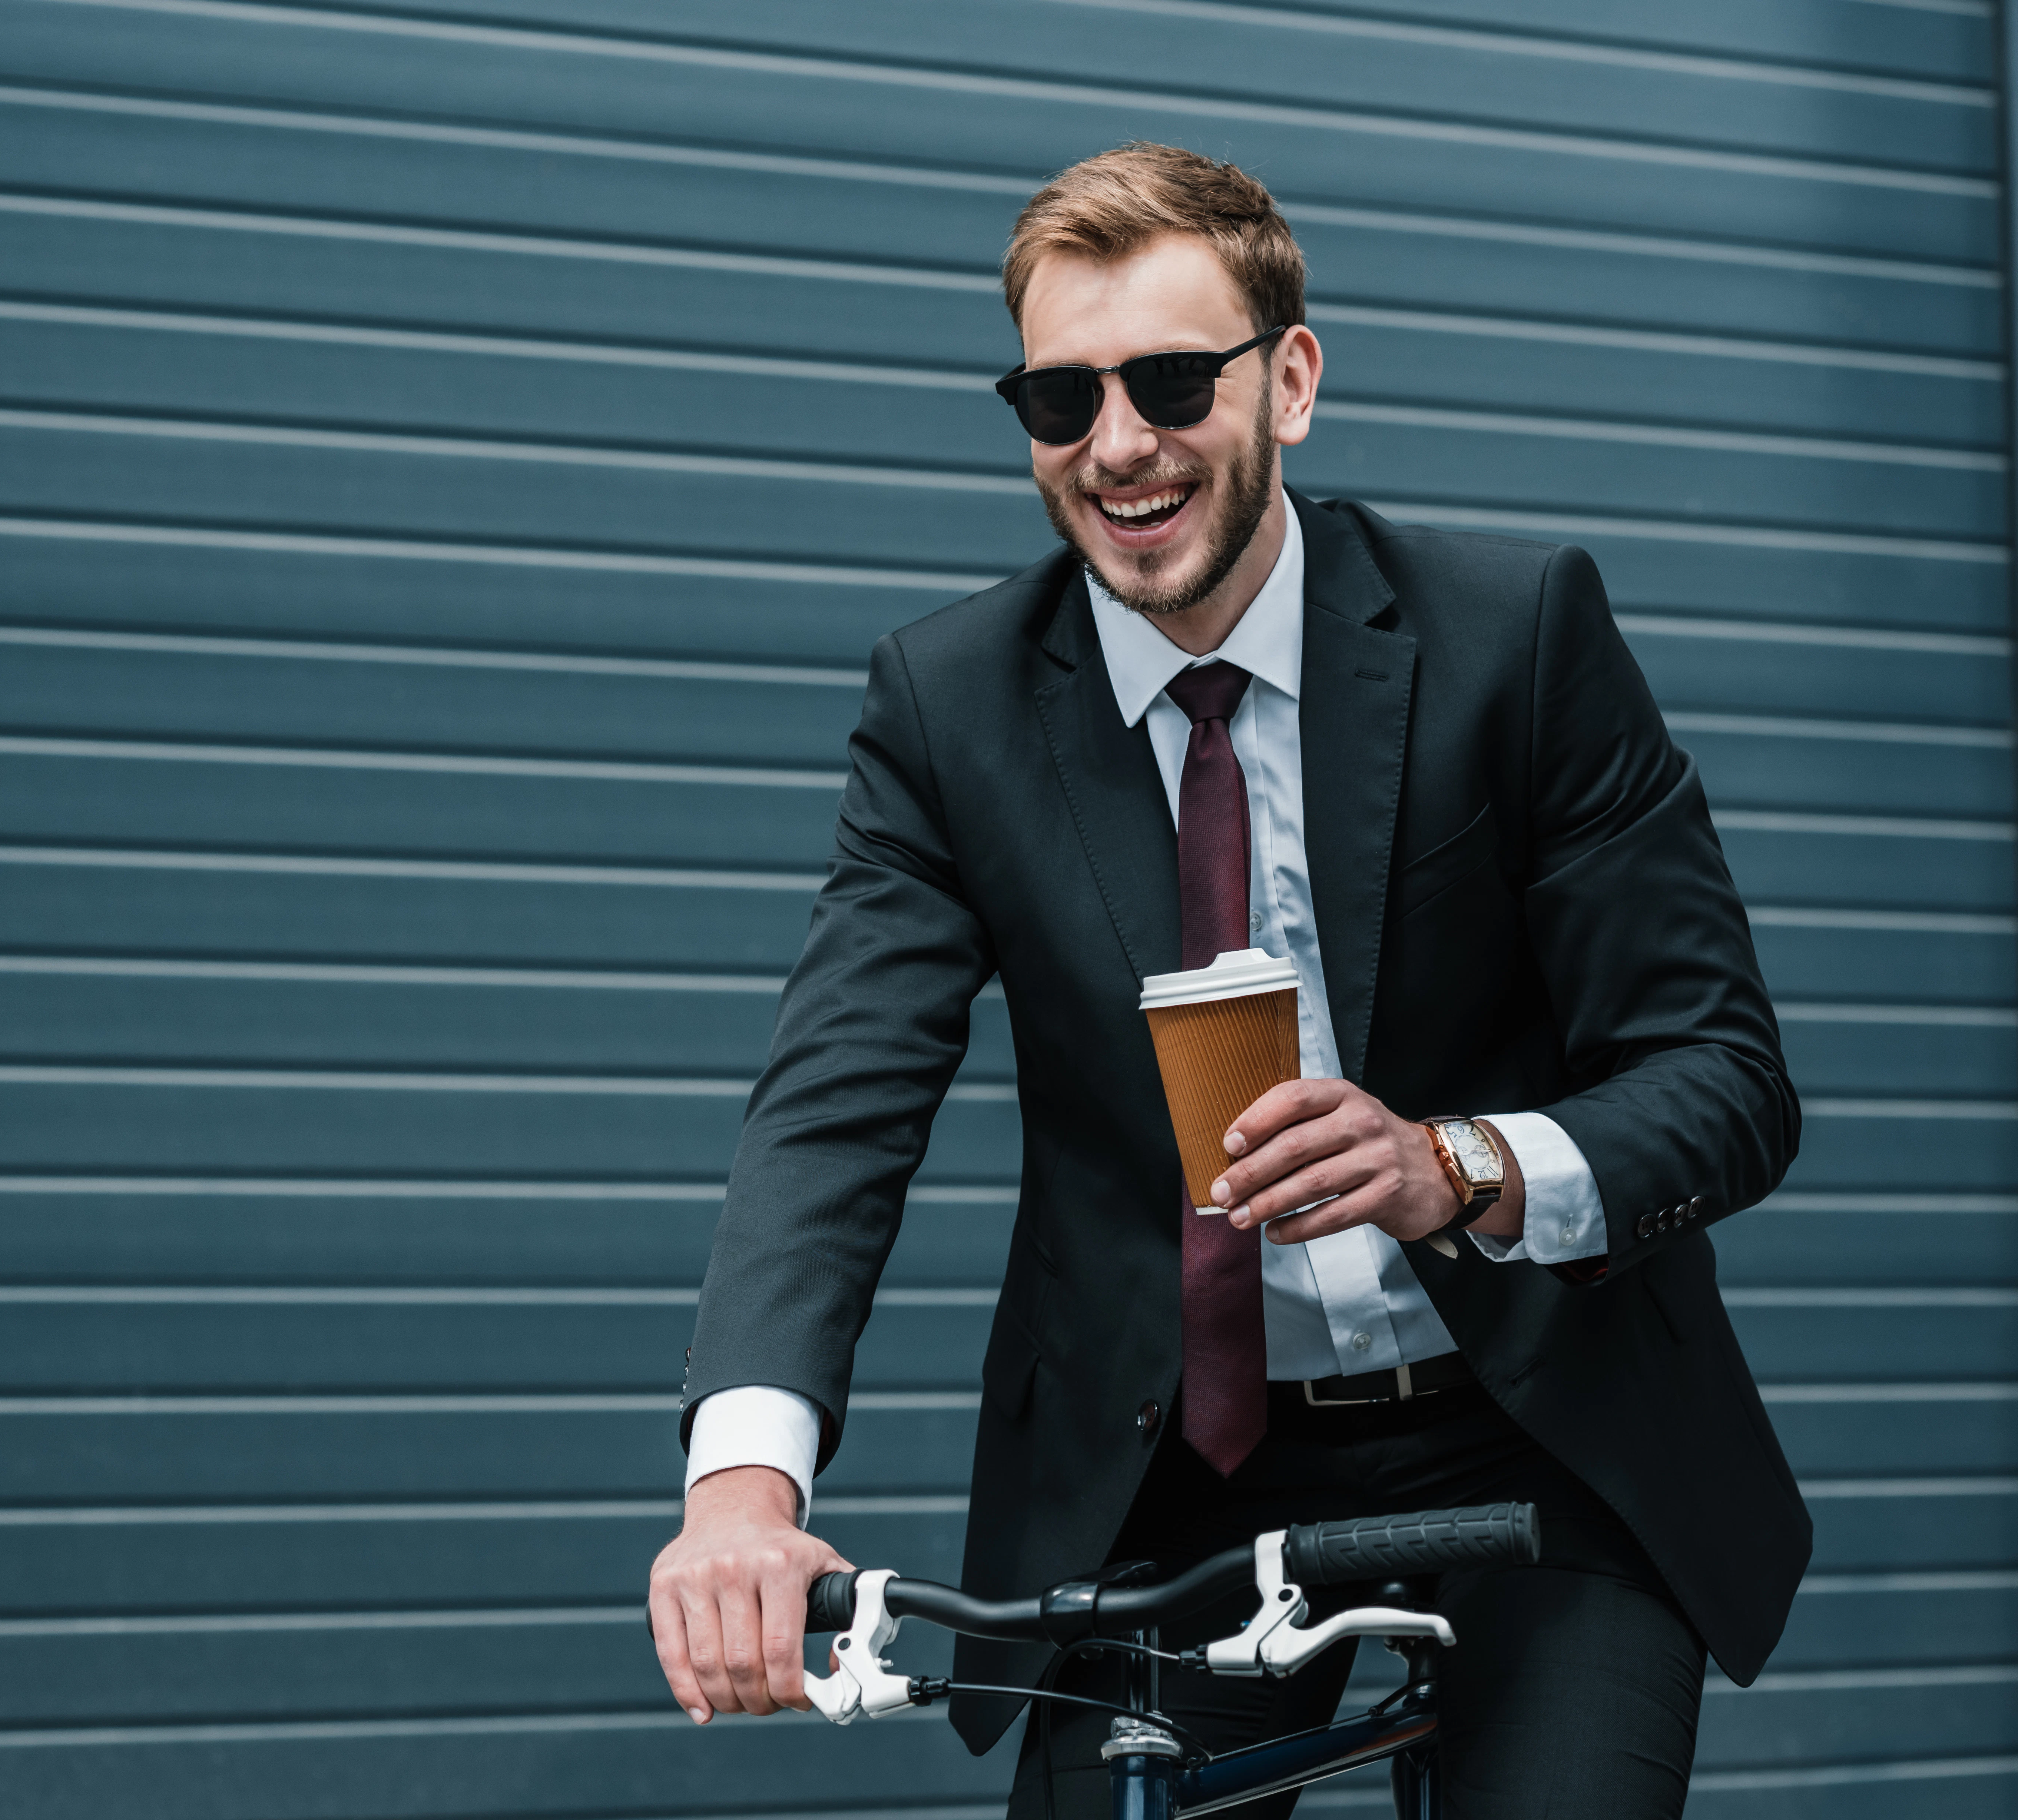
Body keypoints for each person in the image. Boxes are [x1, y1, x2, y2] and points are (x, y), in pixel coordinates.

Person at [646, 142, 1806, 1818]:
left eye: (1173, 382)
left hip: (1537, 1444)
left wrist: (1451, 1166)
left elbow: (1722, 1078)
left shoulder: (1516, 636)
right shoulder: (948, 707)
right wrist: (740, 1488)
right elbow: (832, 1110)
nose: (1117, 446)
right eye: (1060, 400)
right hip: (1173, 1478)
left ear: (1291, 382)